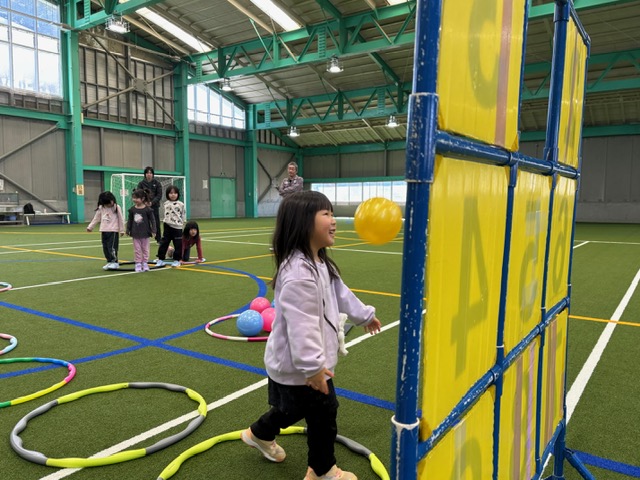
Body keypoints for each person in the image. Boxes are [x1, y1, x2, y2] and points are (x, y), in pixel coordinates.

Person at [241, 190, 381, 480]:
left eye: (332, 213)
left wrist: (365, 315)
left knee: (290, 409)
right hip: (302, 365)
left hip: (299, 364)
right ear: (303, 223)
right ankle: (322, 470)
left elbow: (342, 294)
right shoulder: (299, 274)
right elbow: (301, 326)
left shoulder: (319, 262)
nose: (334, 221)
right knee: (324, 414)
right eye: (326, 214)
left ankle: (259, 433)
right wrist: (314, 367)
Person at [86, 191, 125, 270]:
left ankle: (115, 262)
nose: (109, 204)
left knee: (112, 247)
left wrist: (122, 230)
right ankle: (109, 261)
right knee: (105, 247)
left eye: (110, 202)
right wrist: (90, 227)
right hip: (104, 230)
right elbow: (96, 218)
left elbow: (121, 219)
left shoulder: (116, 207)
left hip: (113, 231)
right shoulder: (101, 208)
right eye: (107, 203)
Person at [126, 189, 156, 273]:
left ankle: (145, 263)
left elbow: (153, 220)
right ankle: (138, 263)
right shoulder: (132, 210)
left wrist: (154, 229)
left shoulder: (148, 210)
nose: (134, 200)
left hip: (145, 233)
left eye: (137, 198)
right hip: (135, 233)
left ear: (142, 198)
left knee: (145, 249)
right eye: (133, 198)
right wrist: (128, 229)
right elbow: (130, 220)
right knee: (137, 249)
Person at [155, 186, 186, 268]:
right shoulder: (165, 203)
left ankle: (177, 260)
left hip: (177, 227)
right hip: (167, 226)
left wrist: (182, 223)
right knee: (164, 243)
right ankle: (160, 259)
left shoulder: (181, 204)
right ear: (167, 194)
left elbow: (183, 214)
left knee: (178, 244)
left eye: (175, 193)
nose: (173, 195)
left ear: (178, 194)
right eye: (171, 193)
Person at [137, 166, 162, 242]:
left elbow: (159, 195)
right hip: (144, 206)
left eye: (150, 173)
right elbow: (139, 194)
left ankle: (158, 239)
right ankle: (144, 237)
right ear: (145, 174)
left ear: (153, 174)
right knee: (143, 222)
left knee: (156, 222)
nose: (149, 174)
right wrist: (144, 202)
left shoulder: (157, 183)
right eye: (147, 173)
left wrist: (152, 202)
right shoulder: (141, 184)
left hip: (154, 206)